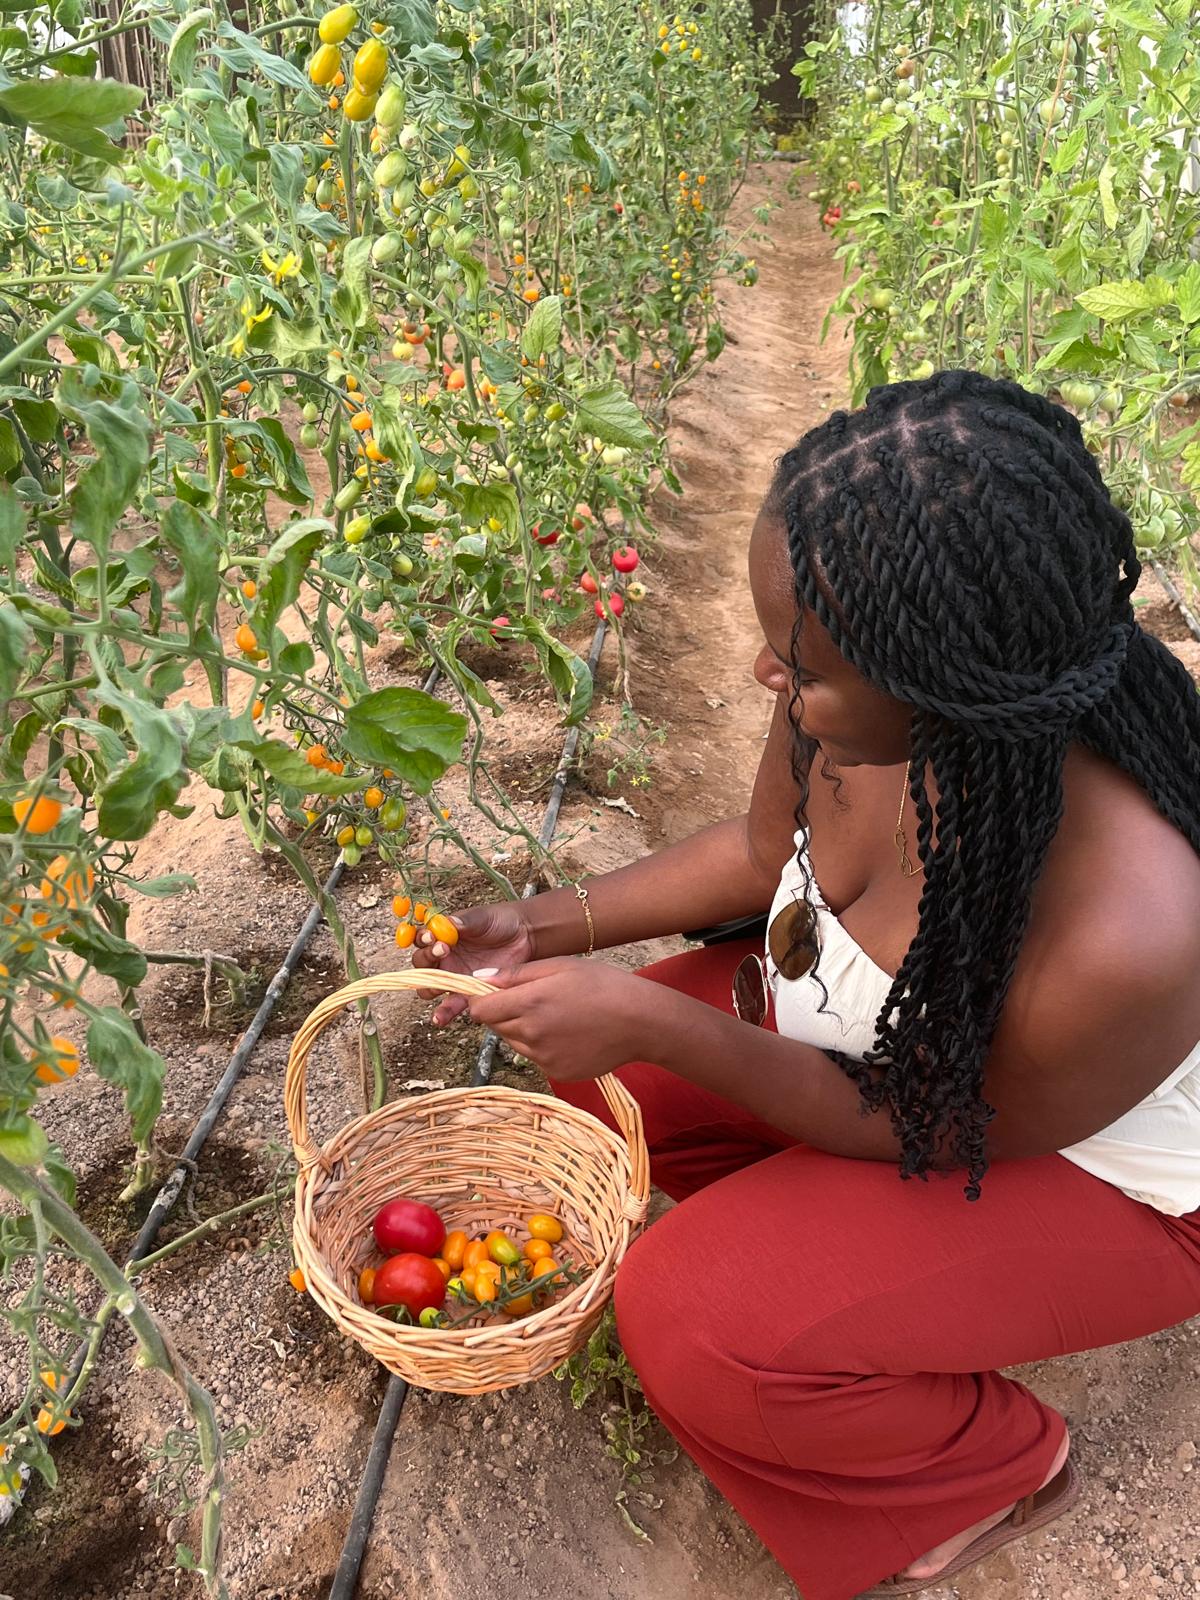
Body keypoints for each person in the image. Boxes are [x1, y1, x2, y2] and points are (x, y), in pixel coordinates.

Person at [413, 370, 1200, 1600]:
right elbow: (749, 851)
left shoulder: (1131, 929)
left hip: (1086, 1169)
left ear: (949, 681)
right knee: (579, 1110)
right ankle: (822, 1265)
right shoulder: (851, 701)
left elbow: (928, 1124)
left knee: (693, 1315)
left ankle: (999, 1464)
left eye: (803, 664)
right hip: (880, 1047)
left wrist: (657, 1016)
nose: (767, 676)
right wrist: (547, 921)